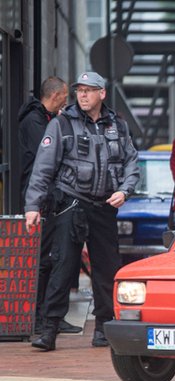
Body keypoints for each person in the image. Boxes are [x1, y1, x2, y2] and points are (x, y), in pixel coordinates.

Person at [24, 71, 139, 351]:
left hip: (104, 207)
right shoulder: (62, 123)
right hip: (70, 204)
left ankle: (103, 328)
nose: (83, 95)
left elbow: (131, 164)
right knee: (62, 266)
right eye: (79, 90)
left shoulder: (118, 126)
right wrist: (32, 206)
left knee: (106, 269)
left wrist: (124, 191)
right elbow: (43, 168)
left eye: (89, 90)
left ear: (102, 94)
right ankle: (49, 330)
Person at [17, 76, 82, 336]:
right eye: (65, 97)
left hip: (52, 197)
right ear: (55, 96)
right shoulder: (35, 122)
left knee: (57, 256)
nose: (66, 102)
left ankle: (50, 314)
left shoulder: (45, 119)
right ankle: (39, 316)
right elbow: (48, 160)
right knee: (45, 258)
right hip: (43, 198)